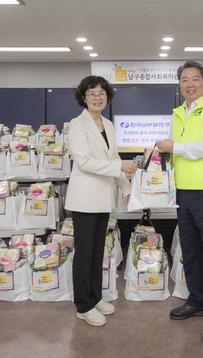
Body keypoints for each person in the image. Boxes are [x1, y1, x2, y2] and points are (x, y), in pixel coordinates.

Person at [156, 60, 203, 343]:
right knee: (190, 251)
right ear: (179, 84)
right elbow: (175, 153)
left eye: (195, 79)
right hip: (183, 191)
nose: (190, 84)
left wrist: (175, 147)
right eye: (185, 80)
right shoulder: (177, 113)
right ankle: (198, 301)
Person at [65, 75, 137, 327]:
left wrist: (126, 187)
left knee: (98, 252)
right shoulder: (77, 125)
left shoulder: (108, 124)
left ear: (108, 96)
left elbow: (113, 157)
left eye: (102, 93)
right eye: (92, 93)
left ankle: (95, 298)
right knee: (84, 253)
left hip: (103, 197)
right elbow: (84, 161)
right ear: (83, 97)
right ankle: (83, 306)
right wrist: (119, 167)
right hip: (85, 198)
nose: (98, 98)